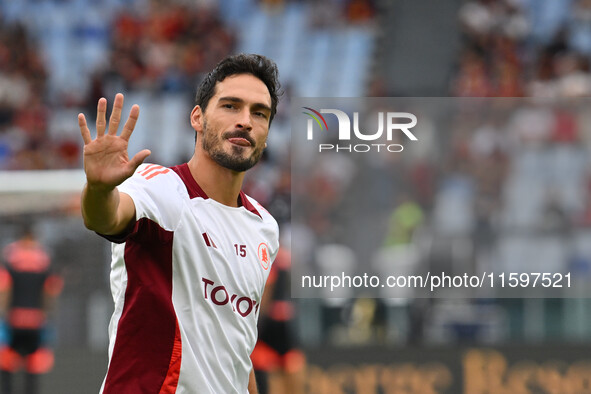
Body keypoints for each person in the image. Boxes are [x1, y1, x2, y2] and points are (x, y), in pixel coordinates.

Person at [78, 54, 281, 393]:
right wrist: (99, 188)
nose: (246, 120)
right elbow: (105, 217)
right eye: (231, 106)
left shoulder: (264, 226)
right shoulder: (163, 189)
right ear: (197, 118)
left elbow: (237, 345)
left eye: (259, 113)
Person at [0, 224, 64, 394]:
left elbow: (4, 288)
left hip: (14, 319)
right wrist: (49, 315)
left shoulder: (9, 257)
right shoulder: (44, 258)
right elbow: (50, 290)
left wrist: (3, 315)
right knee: (33, 369)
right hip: (36, 320)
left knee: (6, 366)